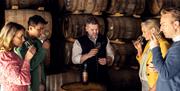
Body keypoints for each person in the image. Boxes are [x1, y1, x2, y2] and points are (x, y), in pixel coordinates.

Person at [72, 17, 114, 89]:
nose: (95, 32)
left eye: (97, 29)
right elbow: (74, 60)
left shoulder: (104, 39)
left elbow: (111, 55)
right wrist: (88, 55)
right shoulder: (79, 41)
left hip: (103, 78)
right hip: (87, 78)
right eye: (92, 30)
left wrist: (107, 60)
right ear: (86, 29)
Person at [14, 15, 50, 91]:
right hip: (31, 85)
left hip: (41, 81)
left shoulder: (37, 41)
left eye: (43, 29)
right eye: (39, 29)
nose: (42, 32)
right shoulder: (21, 44)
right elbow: (29, 66)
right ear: (30, 28)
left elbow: (41, 62)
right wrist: (43, 49)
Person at [133, 19, 170, 91]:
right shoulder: (149, 43)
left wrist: (154, 88)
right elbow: (143, 64)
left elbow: (164, 72)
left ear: (153, 30)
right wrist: (139, 51)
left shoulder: (163, 45)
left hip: (153, 85)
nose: (142, 35)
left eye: (144, 32)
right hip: (144, 81)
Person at [150, 8, 180, 91]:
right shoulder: (176, 45)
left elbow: (165, 74)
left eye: (164, 25)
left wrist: (155, 47)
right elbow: (170, 70)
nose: (161, 29)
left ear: (176, 25)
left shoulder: (178, 48)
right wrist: (159, 67)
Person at [0, 22, 36, 91]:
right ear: (10, 37)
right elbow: (22, 80)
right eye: (20, 37)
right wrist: (27, 59)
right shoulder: (4, 57)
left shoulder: (11, 52)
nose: (23, 39)